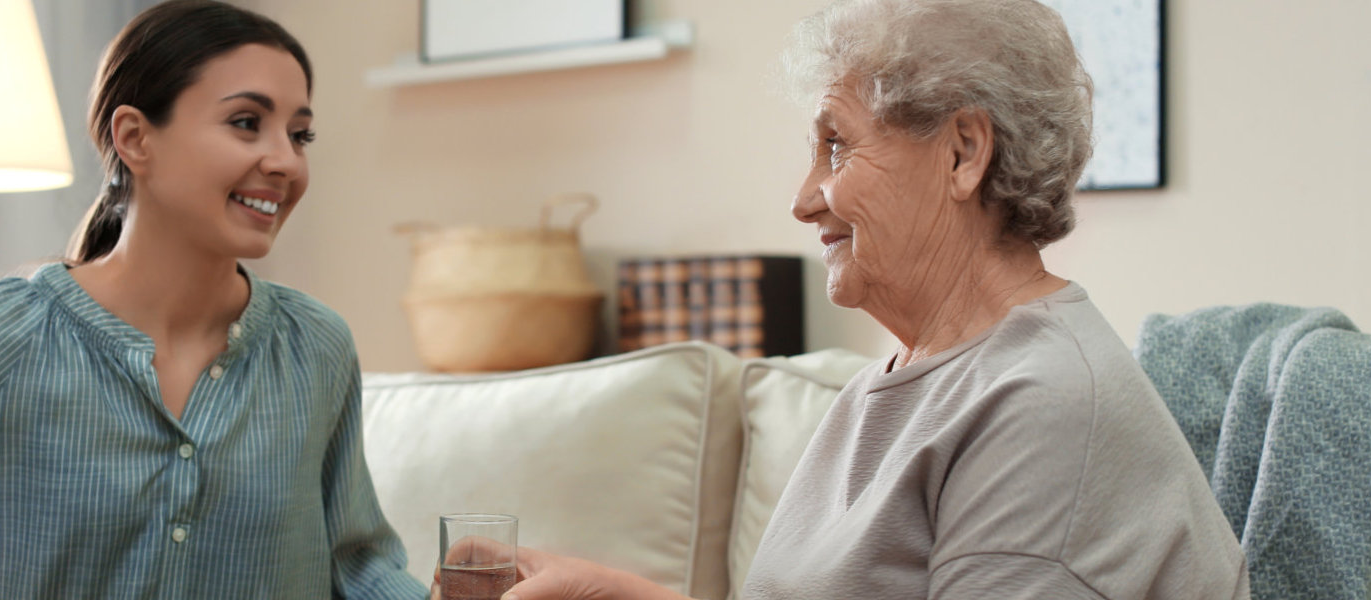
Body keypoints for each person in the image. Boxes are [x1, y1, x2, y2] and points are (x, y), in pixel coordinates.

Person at [500, 0, 1249, 598]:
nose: (802, 201)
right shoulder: (892, 385)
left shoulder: (1042, 404)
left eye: (836, 145)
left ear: (963, 152)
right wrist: (611, 594)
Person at [0, 2, 427, 598]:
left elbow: (359, 570)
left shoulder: (315, 348)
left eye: (299, 133)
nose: (285, 160)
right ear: (134, 138)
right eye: (247, 123)